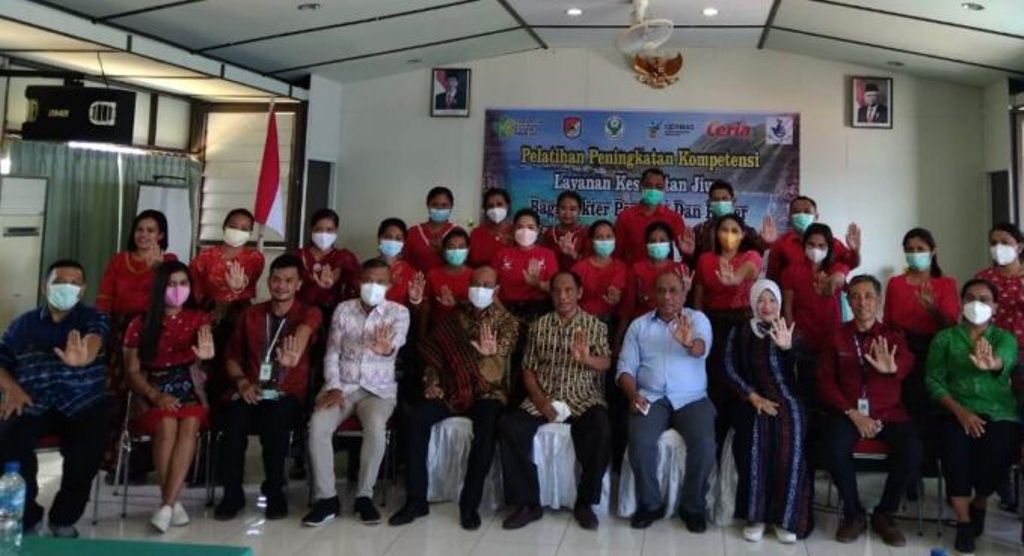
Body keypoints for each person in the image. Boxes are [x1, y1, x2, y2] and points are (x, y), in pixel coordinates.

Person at [388, 266, 519, 530]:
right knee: (415, 420)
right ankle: (416, 500)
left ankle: (469, 505)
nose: (480, 289)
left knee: (485, 433)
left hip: (487, 392)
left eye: (486, 285)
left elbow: (502, 356)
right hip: (450, 390)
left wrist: (489, 351)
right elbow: (434, 357)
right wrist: (433, 383)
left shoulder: (507, 323)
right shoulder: (454, 317)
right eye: (476, 283)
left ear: (496, 291)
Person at [0, 260, 111, 538]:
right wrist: (12, 388)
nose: (67, 287)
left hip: (83, 401)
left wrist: (83, 356)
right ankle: (27, 517)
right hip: (32, 400)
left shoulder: (92, 318)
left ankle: (64, 519)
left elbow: (95, 341)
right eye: (60, 281)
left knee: (85, 454)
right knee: (8, 444)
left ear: (83, 289)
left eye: (74, 283)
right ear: (45, 286)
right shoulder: (22, 325)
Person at [497, 271, 612, 531]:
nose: (563, 296)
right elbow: (527, 368)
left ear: (579, 292)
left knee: (601, 428)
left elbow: (605, 362)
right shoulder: (539, 326)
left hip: (582, 396)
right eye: (557, 291)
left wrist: (587, 360)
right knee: (509, 426)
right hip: (545, 395)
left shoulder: (595, 326)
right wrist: (540, 401)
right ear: (551, 295)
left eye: (569, 290)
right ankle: (527, 503)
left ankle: (585, 502)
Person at [303, 259, 410, 527]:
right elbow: (332, 352)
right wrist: (335, 387)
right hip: (343, 387)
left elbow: (394, 345)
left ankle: (364, 496)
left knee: (375, 427)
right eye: (369, 280)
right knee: (317, 425)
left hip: (378, 390)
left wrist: (385, 348)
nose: (374, 286)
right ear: (359, 281)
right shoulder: (343, 309)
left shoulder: (399, 313)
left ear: (390, 284)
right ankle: (327, 498)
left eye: (381, 281)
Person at [214, 254, 320, 521]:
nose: (281, 285)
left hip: (286, 394)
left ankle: (275, 492)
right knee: (233, 422)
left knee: (275, 423)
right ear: (268, 281)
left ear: (298, 285)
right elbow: (232, 357)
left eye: (288, 280)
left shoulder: (308, 312)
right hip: (251, 388)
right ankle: (232, 494)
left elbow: (308, 328)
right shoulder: (251, 314)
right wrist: (242, 382)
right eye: (276, 279)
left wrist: (295, 348)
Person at [818, 275, 919, 546]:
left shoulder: (893, 336)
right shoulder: (836, 335)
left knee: (912, 452)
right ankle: (853, 514)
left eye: (868, 296)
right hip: (849, 412)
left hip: (889, 412)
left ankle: (885, 514)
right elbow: (826, 382)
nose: (862, 302)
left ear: (879, 301)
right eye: (855, 296)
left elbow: (907, 363)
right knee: (833, 449)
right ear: (848, 301)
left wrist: (892, 368)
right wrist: (853, 413)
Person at [926, 278, 1021, 555]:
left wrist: (993, 363)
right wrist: (961, 412)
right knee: (955, 453)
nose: (976, 304)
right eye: (970, 298)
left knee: (999, 451)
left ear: (996, 307)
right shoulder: (944, 338)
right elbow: (933, 380)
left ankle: (980, 501)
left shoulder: (1004, 338)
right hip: (955, 409)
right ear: (961, 303)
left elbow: (1006, 358)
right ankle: (964, 522)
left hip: (1000, 412)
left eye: (984, 299)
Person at [617, 272, 716, 532]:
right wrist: (632, 394)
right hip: (650, 396)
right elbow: (625, 368)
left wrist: (687, 343)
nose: (667, 297)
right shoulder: (639, 326)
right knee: (639, 441)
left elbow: (701, 348)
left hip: (692, 398)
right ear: (654, 293)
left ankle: (692, 506)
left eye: (673, 291)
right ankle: (650, 505)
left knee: (705, 445)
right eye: (661, 290)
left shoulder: (697, 319)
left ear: (684, 293)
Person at [122, 261, 214, 532]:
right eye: (171, 284)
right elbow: (132, 370)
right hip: (151, 385)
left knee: (190, 424)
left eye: (183, 284)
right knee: (166, 425)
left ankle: (166, 504)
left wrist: (207, 358)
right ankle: (171, 503)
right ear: (160, 287)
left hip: (189, 384)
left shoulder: (199, 319)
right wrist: (155, 395)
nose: (177, 289)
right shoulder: (140, 322)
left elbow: (205, 357)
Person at [722, 279, 811, 543]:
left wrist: (788, 348)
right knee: (754, 438)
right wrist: (753, 397)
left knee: (790, 434)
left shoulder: (790, 331)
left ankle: (785, 518)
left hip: (787, 399)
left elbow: (806, 370)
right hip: (751, 399)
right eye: (761, 299)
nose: (767, 306)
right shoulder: (740, 331)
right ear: (753, 303)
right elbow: (727, 367)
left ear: (780, 304)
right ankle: (756, 515)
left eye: (772, 300)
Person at [883, 228, 959, 475]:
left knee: (928, 408)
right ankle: (908, 470)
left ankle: (927, 466)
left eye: (920, 249)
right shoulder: (895, 284)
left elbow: (951, 326)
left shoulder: (946, 284)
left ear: (933, 251)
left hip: (935, 350)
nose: (915, 254)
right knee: (903, 409)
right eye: (910, 250)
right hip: (902, 350)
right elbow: (887, 322)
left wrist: (933, 309)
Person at [693, 214, 763, 447]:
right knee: (716, 379)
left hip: (743, 325)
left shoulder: (750, 255)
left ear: (743, 235)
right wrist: (697, 323)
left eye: (735, 230)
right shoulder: (705, 259)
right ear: (716, 233)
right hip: (713, 324)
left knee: (741, 377)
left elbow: (751, 270)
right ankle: (716, 436)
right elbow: (700, 296)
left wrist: (735, 279)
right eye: (724, 229)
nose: (729, 235)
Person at [781, 223, 849, 413]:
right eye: (811, 244)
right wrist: (792, 334)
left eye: (821, 246)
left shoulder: (837, 268)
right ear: (804, 245)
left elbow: (840, 278)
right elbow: (787, 306)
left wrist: (830, 284)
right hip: (804, 339)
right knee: (807, 390)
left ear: (829, 248)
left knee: (832, 388)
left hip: (833, 338)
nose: (816, 250)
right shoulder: (791, 271)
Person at [97, 210, 177, 324]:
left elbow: (173, 298)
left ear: (160, 235)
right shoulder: (118, 260)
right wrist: (100, 324)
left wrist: (159, 269)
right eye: (139, 229)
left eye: (150, 230)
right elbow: (105, 298)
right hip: (118, 324)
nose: (143, 235)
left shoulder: (170, 260)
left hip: (154, 324)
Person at [765, 196, 860, 282]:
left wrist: (855, 251)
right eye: (796, 212)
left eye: (807, 212)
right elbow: (772, 277)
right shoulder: (781, 244)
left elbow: (850, 264)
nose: (801, 215)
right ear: (790, 217)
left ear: (816, 216)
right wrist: (769, 246)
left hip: (826, 297)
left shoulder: (831, 242)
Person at [189, 208, 266, 314]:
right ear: (224, 227)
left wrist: (239, 286)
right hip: (208, 312)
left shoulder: (255, 258)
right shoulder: (205, 256)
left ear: (250, 233)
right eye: (233, 227)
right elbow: (195, 286)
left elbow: (250, 280)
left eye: (244, 229)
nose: (238, 231)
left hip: (241, 313)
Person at [614, 168, 693, 264]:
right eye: (649, 185)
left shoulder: (674, 218)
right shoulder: (625, 217)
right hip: (633, 276)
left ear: (664, 189)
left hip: (664, 276)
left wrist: (689, 253)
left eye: (658, 187)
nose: (653, 190)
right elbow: (616, 254)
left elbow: (685, 252)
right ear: (641, 187)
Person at [294, 208, 361, 319]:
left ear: (336, 231)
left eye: (329, 230)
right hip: (300, 313)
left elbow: (356, 288)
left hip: (335, 316)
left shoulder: (344, 257)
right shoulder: (298, 255)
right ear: (311, 230)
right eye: (318, 229)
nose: (324, 234)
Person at [494, 208, 558, 322]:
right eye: (520, 227)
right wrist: (505, 315)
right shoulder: (501, 255)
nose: (525, 231)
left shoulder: (548, 255)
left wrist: (537, 284)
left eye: (530, 227)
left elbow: (555, 288)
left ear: (538, 230)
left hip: (538, 310)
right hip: (505, 309)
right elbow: (492, 290)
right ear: (513, 229)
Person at [690, 180, 774, 261]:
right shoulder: (700, 231)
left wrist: (766, 244)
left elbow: (758, 257)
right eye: (716, 200)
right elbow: (692, 264)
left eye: (724, 199)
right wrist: (688, 254)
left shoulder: (746, 231)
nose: (720, 203)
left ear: (733, 201)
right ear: (709, 203)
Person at [424, 228, 473, 328]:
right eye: (451, 247)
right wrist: (421, 334)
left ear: (468, 250)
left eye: (461, 247)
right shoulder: (432, 275)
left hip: (465, 331)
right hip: (437, 329)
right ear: (444, 250)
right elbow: (426, 307)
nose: (456, 251)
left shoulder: (474, 275)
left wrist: (457, 303)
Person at [375, 217, 425, 308]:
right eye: (387, 237)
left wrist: (415, 300)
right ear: (379, 238)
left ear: (404, 243)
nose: (392, 241)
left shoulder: (410, 272)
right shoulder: (366, 268)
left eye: (398, 239)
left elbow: (414, 312)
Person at [406, 187, 457, 273]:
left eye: (444, 205)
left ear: (451, 206)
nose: (439, 209)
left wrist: (442, 252)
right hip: (417, 284)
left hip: (447, 285)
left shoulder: (457, 232)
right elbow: (405, 264)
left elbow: (462, 267)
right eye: (434, 205)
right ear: (427, 205)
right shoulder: (413, 232)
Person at [542, 190, 589, 272]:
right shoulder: (548, 233)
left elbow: (592, 263)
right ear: (557, 210)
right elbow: (542, 260)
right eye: (563, 208)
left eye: (572, 209)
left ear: (579, 211)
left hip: (578, 279)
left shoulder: (586, 233)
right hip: (552, 280)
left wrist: (573, 254)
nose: (567, 213)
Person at [468, 188, 513, 268]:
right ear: (485, 210)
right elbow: (470, 263)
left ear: (507, 206)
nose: (495, 209)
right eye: (490, 206)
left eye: (499, 204)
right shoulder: (476, 233)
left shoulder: (516, 232)